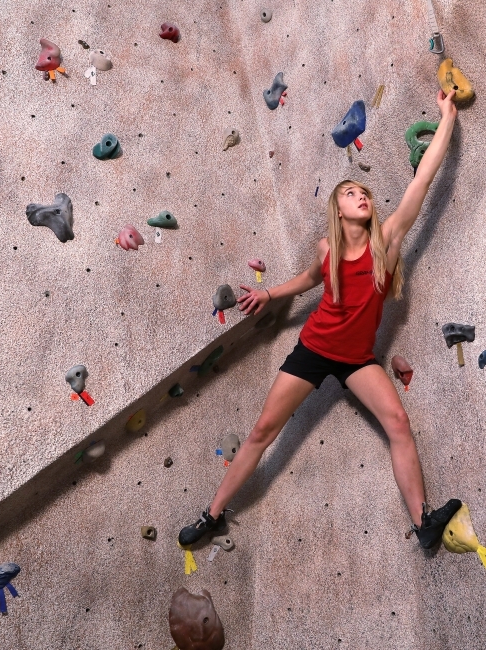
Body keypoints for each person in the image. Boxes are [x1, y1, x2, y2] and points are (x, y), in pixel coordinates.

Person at [179, 89, 460, 550]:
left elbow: (422, 182)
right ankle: (212, 516)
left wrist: (446, 116)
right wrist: (269, 292)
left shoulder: (385, 243)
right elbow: (310, 278)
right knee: (263, 432)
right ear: (338, 209)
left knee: (397, 422)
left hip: (359, 360)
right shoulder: (327, 250)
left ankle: (422, 521)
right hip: (313, 349)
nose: (361, 197)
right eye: (351, 193)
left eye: (364, 192)